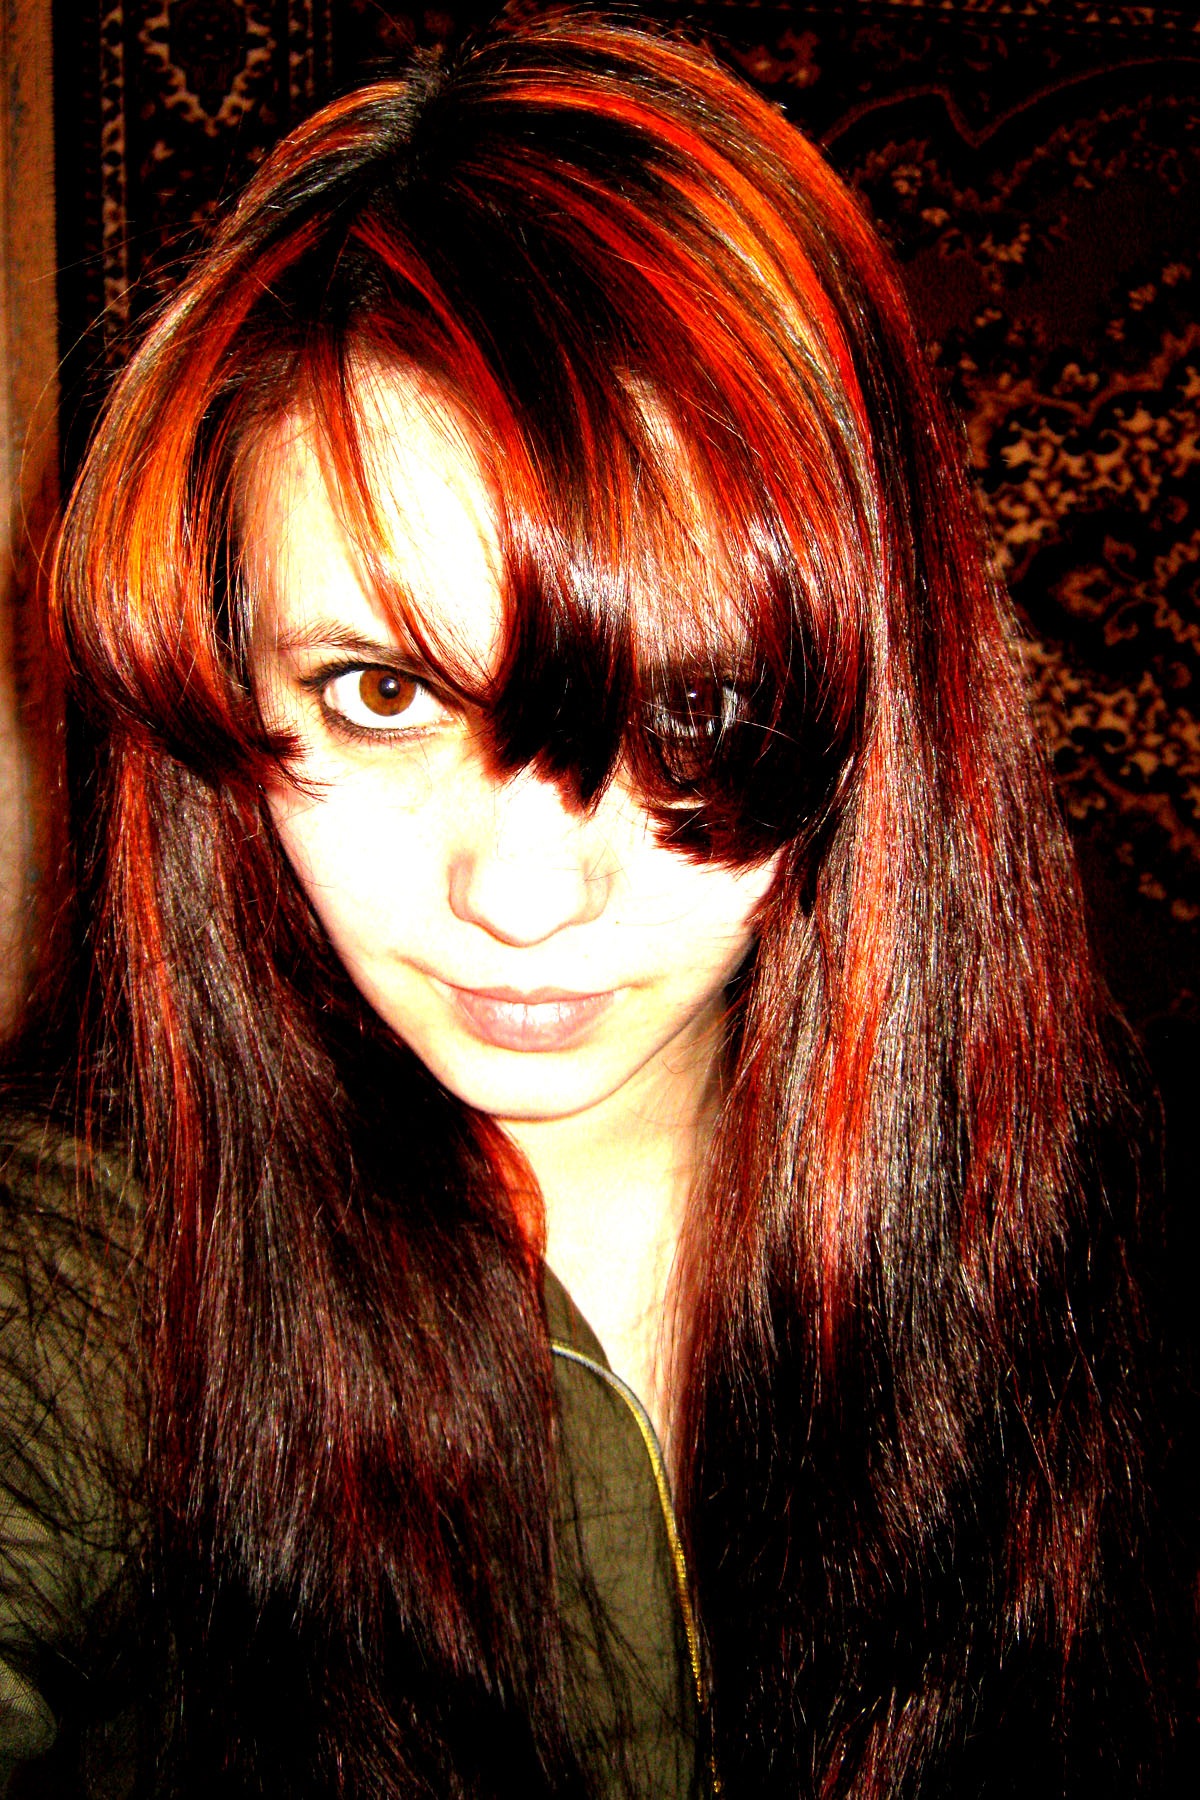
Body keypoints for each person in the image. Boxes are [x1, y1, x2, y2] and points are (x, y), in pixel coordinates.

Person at [0, 13, 1176, 1796]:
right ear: (228, 683)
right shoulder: (100, 1265)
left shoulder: (1075, 1209)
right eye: (382, 691)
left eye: (689, 708)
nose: (523, 894)